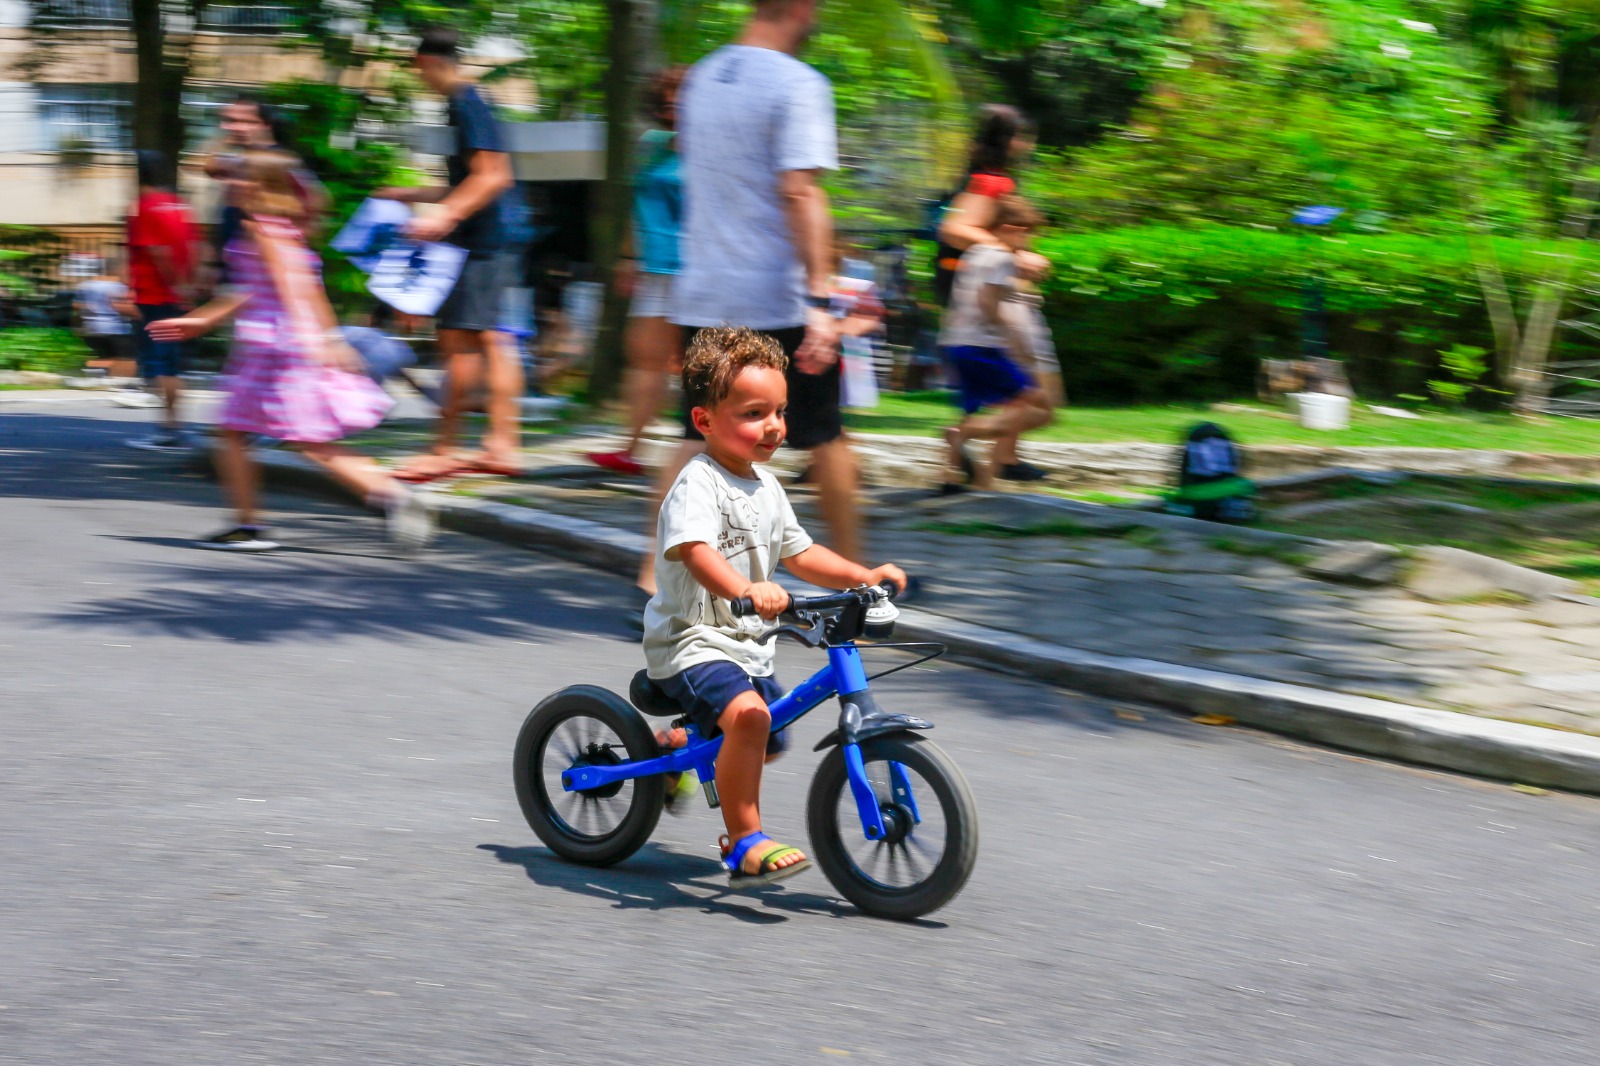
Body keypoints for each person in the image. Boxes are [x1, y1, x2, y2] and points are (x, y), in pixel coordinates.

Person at [643, 326, 906, 886]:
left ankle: (685, 744)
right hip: (693, 641)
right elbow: (694, 551)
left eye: (780, 411)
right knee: (753, 718)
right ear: (705, 421)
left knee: (772, 737)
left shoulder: (766, 485)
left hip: (746, 645)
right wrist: (745, 590)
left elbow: (803, 552)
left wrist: (863, 574)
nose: (775, 427)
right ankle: (743, 841)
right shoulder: (699, 484)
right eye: (754, 413)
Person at [637, 0, 858, 612]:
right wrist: (820, 299)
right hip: (773, 297)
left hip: (702, 291)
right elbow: (800, 191)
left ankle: (649, 582)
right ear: (802, 7)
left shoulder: (702, 78)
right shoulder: (798, 83)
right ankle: (857, 583)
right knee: (825, 435)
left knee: (693, 436)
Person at [146, 150, 436, 554]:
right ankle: (386, 495)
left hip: (279, 350)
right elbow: (272, 288)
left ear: (260, 186)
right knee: (286, 437)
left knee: (263, 434)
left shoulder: (265, 230)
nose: (230, 184)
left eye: (240, 178)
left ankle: (259, 524)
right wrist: (204, 321)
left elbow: (294, 288)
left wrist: (324, 343)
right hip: (278, 347)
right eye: (231, 179)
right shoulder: (278, 228)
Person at [375, 26, 523, 482]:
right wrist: (414, 193)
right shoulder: (474, 101)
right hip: (494, 236)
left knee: (458, 343)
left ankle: (445, 448)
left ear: (423, 62)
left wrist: (443, 216)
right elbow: (473, 178)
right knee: (494, 341)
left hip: (480, 240)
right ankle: (501, 445)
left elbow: (494, 176)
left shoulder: (465, 101)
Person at [588, 66, 688, 477]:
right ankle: (631, 448)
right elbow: (637, 205)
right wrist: (628, 257)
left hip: (698, 269)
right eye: (667, 99)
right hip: (654, 268)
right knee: (644, 357)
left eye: (681, 97)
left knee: (707, 363)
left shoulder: (718, 150)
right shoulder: (654, 144)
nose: (674, 105)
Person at [937, 195, 1054, 493]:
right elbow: (988, 300)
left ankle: (955, 479)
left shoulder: (975, 252)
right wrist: (1013, 338)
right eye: (1025, 230)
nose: (1029, 238)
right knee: (1035, 403)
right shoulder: (1001, 257)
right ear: (1006, 227)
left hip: (956, 343)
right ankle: (961, 436)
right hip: (982, 345)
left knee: (983, 408)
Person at [204, 94, 330, 279]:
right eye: (230, 121)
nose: (234, 127)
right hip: (238, 265)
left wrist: (288, 242)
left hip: (269, 271)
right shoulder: (241, 159)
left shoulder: (278, 162)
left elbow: (318, 200)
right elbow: (210, 167)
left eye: (245, 121)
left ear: (266, 125)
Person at [124, 150, 201, 451]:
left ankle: (170, 428)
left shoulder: (145, 207)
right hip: (177, 296)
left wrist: (176, 285)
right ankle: (173, 426)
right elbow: (195, 247)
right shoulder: (181, 206)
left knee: (161, 366)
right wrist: (190, 285)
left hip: (155, 296)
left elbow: (158, 252)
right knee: (173, 365)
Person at [935, 104, 1044, 306]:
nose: (1031, 145)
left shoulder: (984, 175)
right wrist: (1015, 255)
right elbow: (955, 229)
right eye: (1024, 136)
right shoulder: (990, 181)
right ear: (1008, 141)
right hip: (976, 292)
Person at [74, 261, 133, 370]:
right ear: (115, 270)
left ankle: (91, 371)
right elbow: (123, 306)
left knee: (105, 355)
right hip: (116, 329)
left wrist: (79, 325)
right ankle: (91, 369)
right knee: (125, 358)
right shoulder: (120, 287)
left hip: (91, 328)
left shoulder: (85, 286)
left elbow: (77, 306)